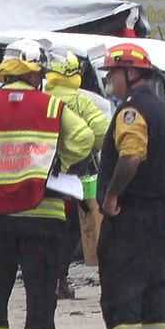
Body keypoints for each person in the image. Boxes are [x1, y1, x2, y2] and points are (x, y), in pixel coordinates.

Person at [0, 38, 94, 329]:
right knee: (41, 305)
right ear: (33, 73)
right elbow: (84, 138)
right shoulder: (52, 105)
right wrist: (58, 162)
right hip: (44, 216)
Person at [96, 43, 165, 329]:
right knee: (153, 300)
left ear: (131, 72)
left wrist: (111, 195)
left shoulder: (131, 111)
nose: (109, 80)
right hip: (159, 217)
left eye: (113, 73)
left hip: (130, 218)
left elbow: (131, 156)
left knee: (123, 298)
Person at [44, 47, 110, 299]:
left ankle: (46, 280)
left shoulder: (41, 98)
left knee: (44, 229)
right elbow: (102, 130)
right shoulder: (83, 100)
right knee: (70, 231)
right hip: (75, 177)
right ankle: (61, 278)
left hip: (41, 174)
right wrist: (85, 150)